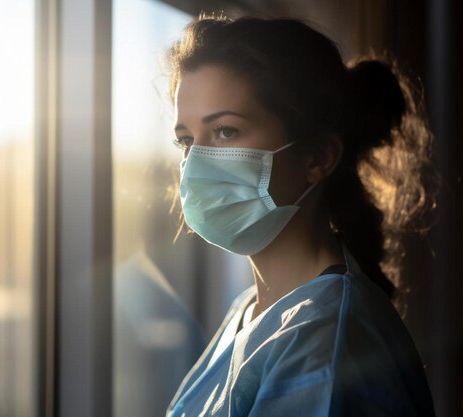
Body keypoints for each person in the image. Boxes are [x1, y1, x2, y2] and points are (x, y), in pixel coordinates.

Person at [165, 13, 436, 416]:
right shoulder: (251, 309)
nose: (196, 162)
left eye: (225, 132)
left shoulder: (323, 340)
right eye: (187, 140)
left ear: (317, 158)